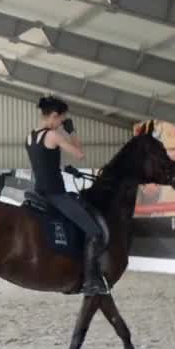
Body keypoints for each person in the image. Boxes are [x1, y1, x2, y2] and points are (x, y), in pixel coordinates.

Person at [26, 95, 109, 295]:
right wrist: (72, 132)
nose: (62, 123)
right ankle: (91, 281)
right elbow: (80, 154)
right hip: (56, 195)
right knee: (95, 231)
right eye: (62, 120)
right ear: (54, 115)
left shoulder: (30, 137)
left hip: (38, 192)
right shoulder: (54, 135)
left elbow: (44, 162)